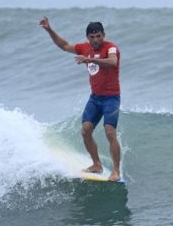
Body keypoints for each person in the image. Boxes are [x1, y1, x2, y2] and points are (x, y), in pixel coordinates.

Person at [39, 16, 122, 182]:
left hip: (111, 98)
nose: (96, 39)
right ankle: (97, 165)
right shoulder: (84, 48)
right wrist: (49, 30)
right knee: (85, 131)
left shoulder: (111, 48)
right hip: (95, 98)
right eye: (92, 37)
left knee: (110, 132)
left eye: (99, 36)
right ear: (88, 38)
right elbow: (64, 45)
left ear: (103, 35)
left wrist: (90, 59)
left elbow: (113, 62)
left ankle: (116, 171)